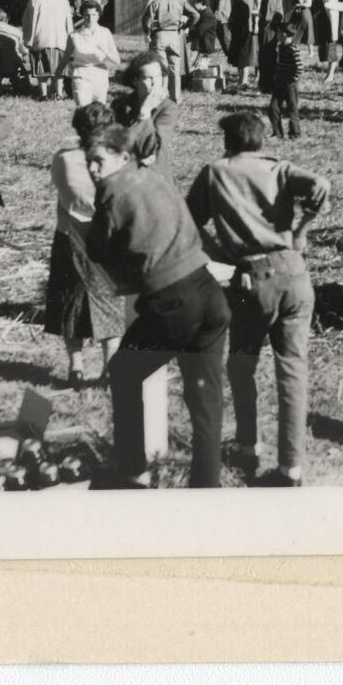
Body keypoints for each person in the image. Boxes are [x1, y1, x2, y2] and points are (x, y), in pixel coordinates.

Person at [186, 111, 330, 486]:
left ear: (227, 141)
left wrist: (217, 252)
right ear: (262, 139)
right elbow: (319, 184)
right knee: (294, 371)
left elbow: (189, 223)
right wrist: (303, 222)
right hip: (296, 276)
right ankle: (291, 469)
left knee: (241, 364)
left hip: (253, 280)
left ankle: (249, 447)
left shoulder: (215, 172)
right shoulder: (280, 169)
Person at [86, 126, 230, 488]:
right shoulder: (155, 177)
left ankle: (134, 475)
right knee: (205, 396)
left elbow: (98, 249)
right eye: (88, 160)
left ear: (123, 157)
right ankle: (206, 488)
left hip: (173, 304)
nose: (92, 168)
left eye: (99, 160)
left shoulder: (111, 189)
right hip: (211, 295)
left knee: (122, 372)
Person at [42, 102, 130, 386]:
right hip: (107, 240)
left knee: (70, 304)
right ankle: (110, 367)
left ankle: (76, 366)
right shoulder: (116, 162)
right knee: (110, 306)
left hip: (69, 238)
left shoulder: (63, 159)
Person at [114, 52, 174, 169]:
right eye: (149, 78)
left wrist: (144, 114)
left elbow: (152, 149)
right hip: (122, 169)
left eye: (158, 76)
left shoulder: (168, 108)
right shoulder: (120, 105)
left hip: (152, 173)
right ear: (135, 80)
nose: (155, 82)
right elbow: (116, 143)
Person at [143, 0, 195, 102]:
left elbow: (146, 21)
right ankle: (176, 98)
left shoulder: (155, 2)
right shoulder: (180, 1)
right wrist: (184, 26)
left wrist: (148, 32)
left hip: (159, 36)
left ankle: (160, 96)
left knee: (160, 67)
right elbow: (195, 15)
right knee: (175, 69)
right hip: (174, 36)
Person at [23, 0, 73, 101]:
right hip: (60, 40)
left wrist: (28, 39)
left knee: (42, 69)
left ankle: (43, 95)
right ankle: (59, 94)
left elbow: (28, 19)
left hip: (41, 39)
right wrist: (70, 39)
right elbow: (69, 21)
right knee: (59, 70)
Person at [62, 1, 121, 108]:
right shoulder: (74, 35)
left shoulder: (105, 32)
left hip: (100, 77)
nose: (90, 18)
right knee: (84, 111)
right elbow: (64, 59)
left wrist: (104, 49)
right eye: (87, 15)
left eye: (94, 15)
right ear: (82, 16)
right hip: (80, 76)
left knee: (99, 114)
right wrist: (55, 80)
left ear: (98, 15)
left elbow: (117, 61)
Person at [260, 14, 306, 139]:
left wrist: (293, 79)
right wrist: (277, 75)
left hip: (290, 84)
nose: (277, 35)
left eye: (279, 33)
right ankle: (277, 133)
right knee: (273, 108)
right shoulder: (280, 47)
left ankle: (295, 133)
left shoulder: (293, 49)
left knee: (292, 109)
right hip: (280, 83)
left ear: (285, 34)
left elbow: (299, 67)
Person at [226, 0, 260, 90]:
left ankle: (244, 80)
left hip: (243, 30)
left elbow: (246, 15)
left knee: (242, 56)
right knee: (239, 56)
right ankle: (241, 79)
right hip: (241, 30)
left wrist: (243, 28)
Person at [187, 0, 228, 92]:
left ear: (201, 3)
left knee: (200, 66)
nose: (194, 6)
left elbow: (200, 31)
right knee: (198, 65)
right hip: (203, 44)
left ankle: (199, 86)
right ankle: (196, 84)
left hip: (205, 44)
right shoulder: (204, 13)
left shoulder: (207, 14)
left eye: (195, 4)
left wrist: (189, 31)